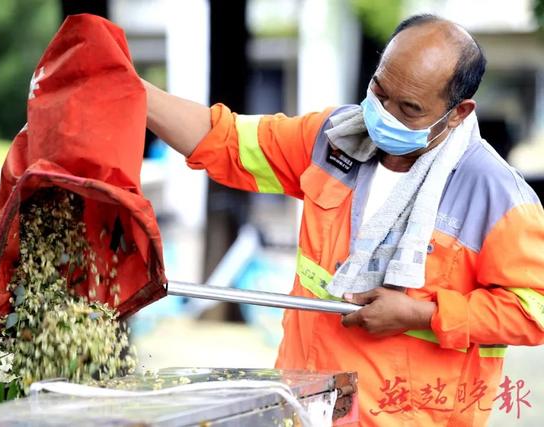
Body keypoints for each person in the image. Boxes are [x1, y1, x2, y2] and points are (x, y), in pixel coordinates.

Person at [143, 14, 544, 426]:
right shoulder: (334, 138)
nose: (385, 115)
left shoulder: (495, 194)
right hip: (305, 406)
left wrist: (421, 315)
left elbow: (534, 311)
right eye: (380, 92)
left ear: (458, 112)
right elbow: (225, 140)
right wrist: (136, 92)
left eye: (409, 109)